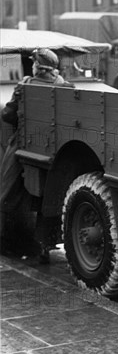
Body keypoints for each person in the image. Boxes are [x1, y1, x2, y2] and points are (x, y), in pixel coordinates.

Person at [1, 48, 73, 262]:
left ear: (36, 67)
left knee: (6, 191)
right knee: (49, 197)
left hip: (25, 144)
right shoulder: (65, 86)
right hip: (57, 149)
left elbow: (8, 115)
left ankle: (6, 242)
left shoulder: (25, 86)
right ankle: (44, 246)